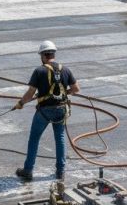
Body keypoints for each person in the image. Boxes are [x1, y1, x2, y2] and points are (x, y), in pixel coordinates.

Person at [14, 41, 79, 182]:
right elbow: (76, 89)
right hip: (61, 110)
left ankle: (28, 170)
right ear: (53, 54)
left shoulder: (39, 71)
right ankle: (60, 172)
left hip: (44, 111)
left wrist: (21, 103)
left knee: (34, 139)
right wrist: (62, 93)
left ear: (43, 55)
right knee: (60, 139)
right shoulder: (65, 70)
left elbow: (30, 93)